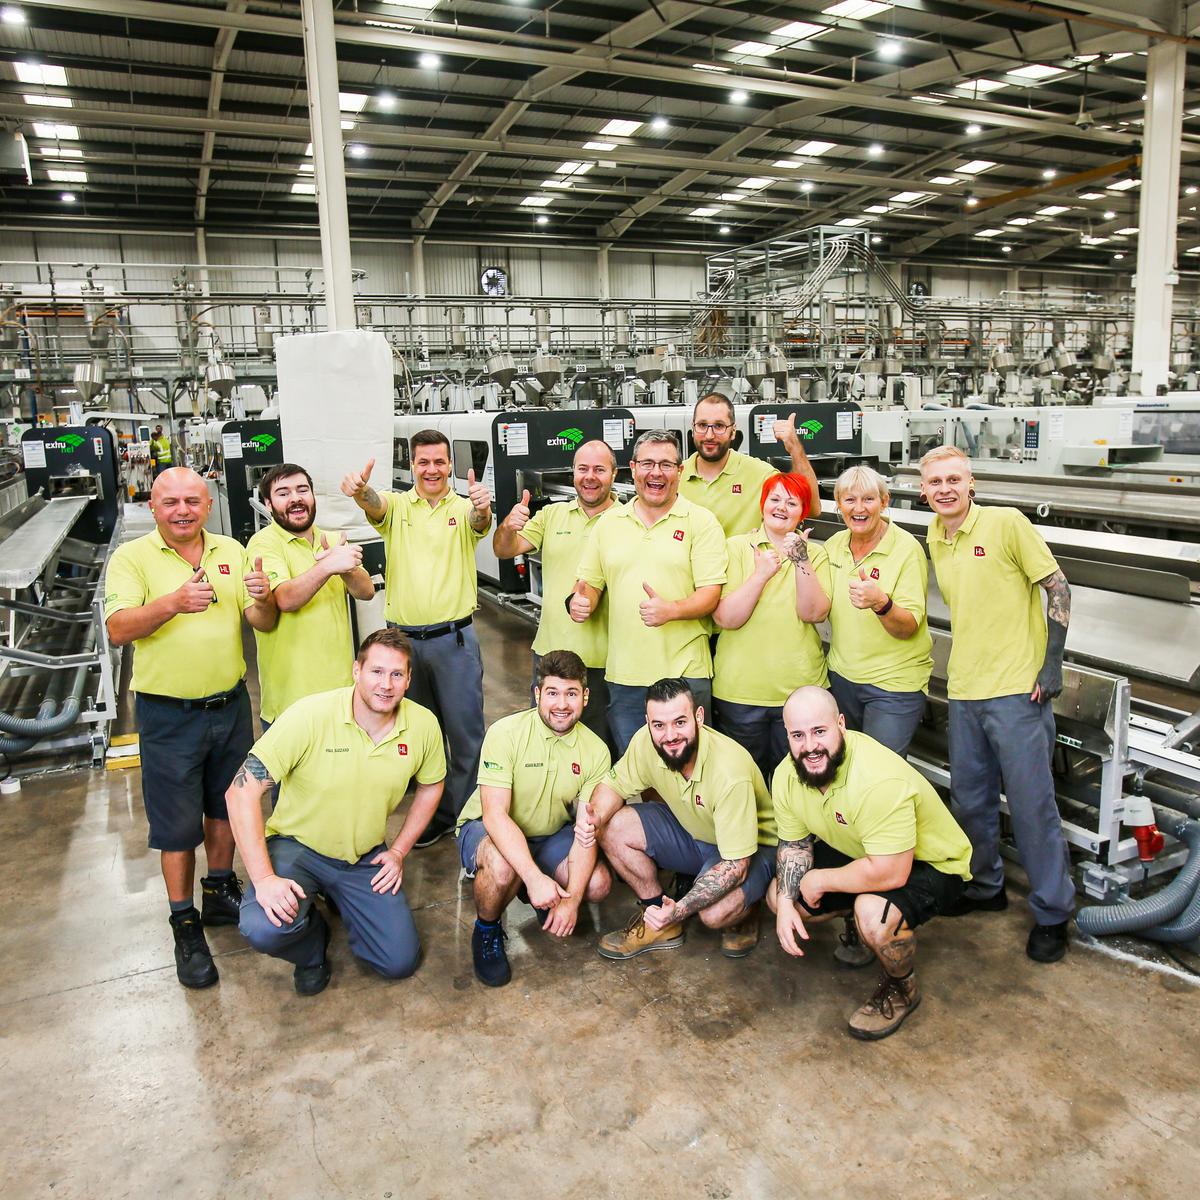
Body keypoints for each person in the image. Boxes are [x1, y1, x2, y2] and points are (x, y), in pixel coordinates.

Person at [104, 467, 277, 989]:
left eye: (192, 501)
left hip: (229, 704)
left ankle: (219, 889)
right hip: (166, 714)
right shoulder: (132, 559)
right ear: (153, 507)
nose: (182, 510)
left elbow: (261, 622)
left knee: (225, 805)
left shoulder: (231, 550)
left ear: (207, 505)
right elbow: (116, 630)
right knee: (177, 825)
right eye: (171, 502)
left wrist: (264, 597)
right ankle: (184, 921)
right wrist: (172, 604)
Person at [919, 445, 1075, 963]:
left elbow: (1057, 587)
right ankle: (985, 887)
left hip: (1016, 692)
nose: (945, 489)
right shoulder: (936, 537)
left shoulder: (1007, 524)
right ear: (923, 490)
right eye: (935, 481)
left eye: (954, 479)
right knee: (972, 801)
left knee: (1032, 807)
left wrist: (1052, 665)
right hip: (965, 690)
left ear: (971, 483)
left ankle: (1052, 912)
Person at [227, 629, 446, 995]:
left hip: (363, 856)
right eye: (376, 671)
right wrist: (264, 879)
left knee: (399, 962)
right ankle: (311, 944)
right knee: (264, 926)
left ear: (409, 679)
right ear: (356, 671)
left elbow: (432, 784)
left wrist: (398, 851)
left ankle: (342, 900)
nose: (386, 685)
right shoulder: (309, 716)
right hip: (299, 849)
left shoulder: (422, 726)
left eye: (396, 674)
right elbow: (239, 794)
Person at [769, 687, 972, 1040]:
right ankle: (856, 926)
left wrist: (821, 881)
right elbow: (794, 844)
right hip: (865, 850)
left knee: (873, 914)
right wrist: (787, 903)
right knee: (777, 894)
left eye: (820, 731)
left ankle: (901, 987)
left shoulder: (877, 779)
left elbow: (892, 871)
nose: (810, 746)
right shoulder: (787, 774)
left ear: (841, 725)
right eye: (798, 735)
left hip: (933, 863)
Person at [341, 431, 492, 846]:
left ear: (449, 465)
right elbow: (375, 504)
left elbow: (480, 522)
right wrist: (361, 491)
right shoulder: (397, 507)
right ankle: (433, 812)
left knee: (465, 736)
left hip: (454, 641)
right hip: (403, 645)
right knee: (419, 734)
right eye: (423, 462)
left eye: (439, 462)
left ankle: (464, 818)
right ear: (413, 465)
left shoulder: (463, 509)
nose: (431, 469)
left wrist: (483, 507)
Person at [575, 678, 777, 961]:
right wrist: (592, 821)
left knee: (713, 914)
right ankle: (657, 917)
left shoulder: (730, 772)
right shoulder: (646, 742)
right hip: (694, 832)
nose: (670, 735)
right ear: (648, 723)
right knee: (611, 825)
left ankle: (749, 905)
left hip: (748, 851)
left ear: (698, 717)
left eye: (680, 722)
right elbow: (614, 787)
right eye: (659, 725)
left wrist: (680, 909)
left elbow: (737, 865)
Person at [456, 649, 613, 987]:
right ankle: (486, 929)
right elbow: (495, 816)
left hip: (548, 833)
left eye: (571, 693)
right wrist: (533, 877)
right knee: (502, 866)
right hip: (486, 827)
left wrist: (570, 901)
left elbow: (586, 831)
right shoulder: (505, 733)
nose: (561, 704)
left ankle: (542, 889)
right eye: (552, 693)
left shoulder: (596, 750)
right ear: (537, 693)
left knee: (597, 884)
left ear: (585, 697)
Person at [572, 430, 727, 755]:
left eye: (666, 464)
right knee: (636, 771)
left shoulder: (701, 522)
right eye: (647, 464)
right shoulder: (609, 523)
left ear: (680, 471)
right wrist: (581, 602)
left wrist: (672, 610)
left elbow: (711, 594)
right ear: (632, 468)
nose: (656, 472)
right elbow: (590, 583)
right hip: (625, 675)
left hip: (686, 674)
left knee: (689, 769)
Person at [493, 440, 618, 744]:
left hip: (608, 662)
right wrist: (508, 526)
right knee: (546, 745)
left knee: (601, 750)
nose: (590, 476)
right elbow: (503, 549)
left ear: (614, 474)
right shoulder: (552, 516)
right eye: (583, 469)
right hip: (550, 654)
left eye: (599, 469)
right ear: (573, 472)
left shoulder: (626, 521)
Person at [711, 472, 830, 780]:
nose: (781, 507)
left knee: (797, 782)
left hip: (799, 691)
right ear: (762, 504)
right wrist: (761, 575)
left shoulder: (816, 554)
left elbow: (814, 613)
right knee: (743, 782)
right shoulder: (736, 548)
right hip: (740, 692)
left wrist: (801, 560)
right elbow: (725, 618)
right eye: (774, 499)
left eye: (792, 502)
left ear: (802, 511)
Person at [247, 462, 375, 733]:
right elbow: (285, 599)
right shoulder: (264, 543)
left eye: (302, 490)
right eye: (283, 493)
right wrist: (328, 566)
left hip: (341, 697)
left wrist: (348, 569)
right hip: (290, 704)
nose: (295, 498)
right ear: (268, 504)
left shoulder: (330, 538)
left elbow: (366, 592)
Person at [824, 464, 933, 757]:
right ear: (839, 504)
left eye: (868, 499)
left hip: (893, 685)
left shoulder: (906, 549)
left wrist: (881, 604)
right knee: (845, 768)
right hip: (842, 678)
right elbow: (818, 607)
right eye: (850, 499)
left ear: (884, 502)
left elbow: (907, 626)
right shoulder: (834, 545)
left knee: (879, 772)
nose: (859, 508)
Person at [679, 391, 821, 536]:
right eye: (702, 425)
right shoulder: (675, 476)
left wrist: (795, 448)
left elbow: (811, 509)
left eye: (719, 426)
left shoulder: (759, 474)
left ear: (733, 431)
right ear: (693, 428)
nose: (709, 435)